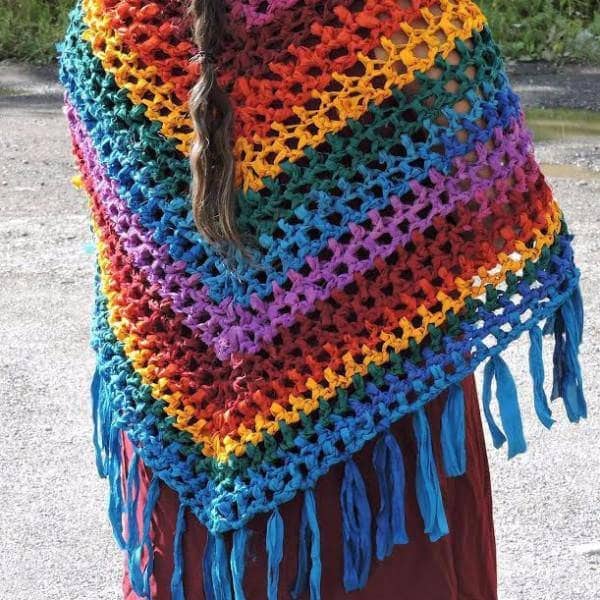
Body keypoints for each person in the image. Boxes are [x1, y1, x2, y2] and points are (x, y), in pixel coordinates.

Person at [57, 1, 586, 599]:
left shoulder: (110, 19)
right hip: (378, 423)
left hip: (190, 443)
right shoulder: (399, 13)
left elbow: (128, 240)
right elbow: (488, 193)